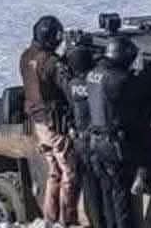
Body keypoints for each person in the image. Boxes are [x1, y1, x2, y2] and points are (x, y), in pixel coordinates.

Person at [20, 15, 78, 226]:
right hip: (54, 124)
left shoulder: (26, 56)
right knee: (69, 172)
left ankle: (50, 218)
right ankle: (66, 219)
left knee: (54, 171)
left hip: (38, 122)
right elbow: (69, 88)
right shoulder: (51, 62)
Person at [86, 35, 146, 228]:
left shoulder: (93, 74)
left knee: (106, 192)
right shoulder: (118, 79)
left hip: (95, 143)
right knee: (121, 196)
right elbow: (140, 90)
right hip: (113, 146)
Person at [65, 42, 101, 228]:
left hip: (81, 141)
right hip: (97, 140)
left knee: (88, 187)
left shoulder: (72, 85)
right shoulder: (95, 83)